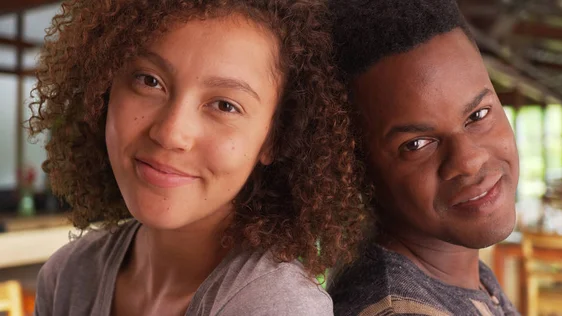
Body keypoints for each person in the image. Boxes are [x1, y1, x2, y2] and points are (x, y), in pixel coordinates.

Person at [29, 0, 368, 315]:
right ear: (104, 87)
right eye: (149, 81)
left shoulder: (277, 306)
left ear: (275, 139)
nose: (171, 133)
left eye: (225, 105)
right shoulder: (67, 277)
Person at [327, 0, 520, 315]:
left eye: (478, 114)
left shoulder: (462, 272)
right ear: (354, 165)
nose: (468, 160)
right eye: (416, 144)